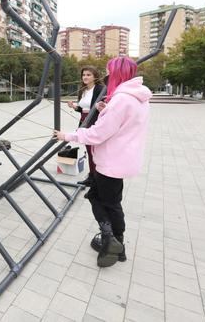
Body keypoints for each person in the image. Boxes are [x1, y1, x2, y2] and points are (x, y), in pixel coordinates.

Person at [53, 57, 151, 267]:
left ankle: (112, 241)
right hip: (123, 159)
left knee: (100, 199)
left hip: (110, 160)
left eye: (109, 71)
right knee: (111, 202)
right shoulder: (138, 97)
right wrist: (106, 109)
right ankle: (117, 245)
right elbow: (123, 123)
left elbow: (98, 134)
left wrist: (68, 136)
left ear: (117, 73)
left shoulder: (122, 99)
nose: (107, 75)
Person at [66, 66, 104, 186]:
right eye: (84, 75)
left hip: (94, 122)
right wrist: (74, 107)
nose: (85, 77)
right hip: (84, 120)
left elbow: (99, 107)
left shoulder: (100, 89)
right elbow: (84, 109)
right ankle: (92, 176)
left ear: (95, 76)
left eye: (88, 75)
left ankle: (96, 178)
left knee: (94, 151)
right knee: (89, 150)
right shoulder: (83, 90)